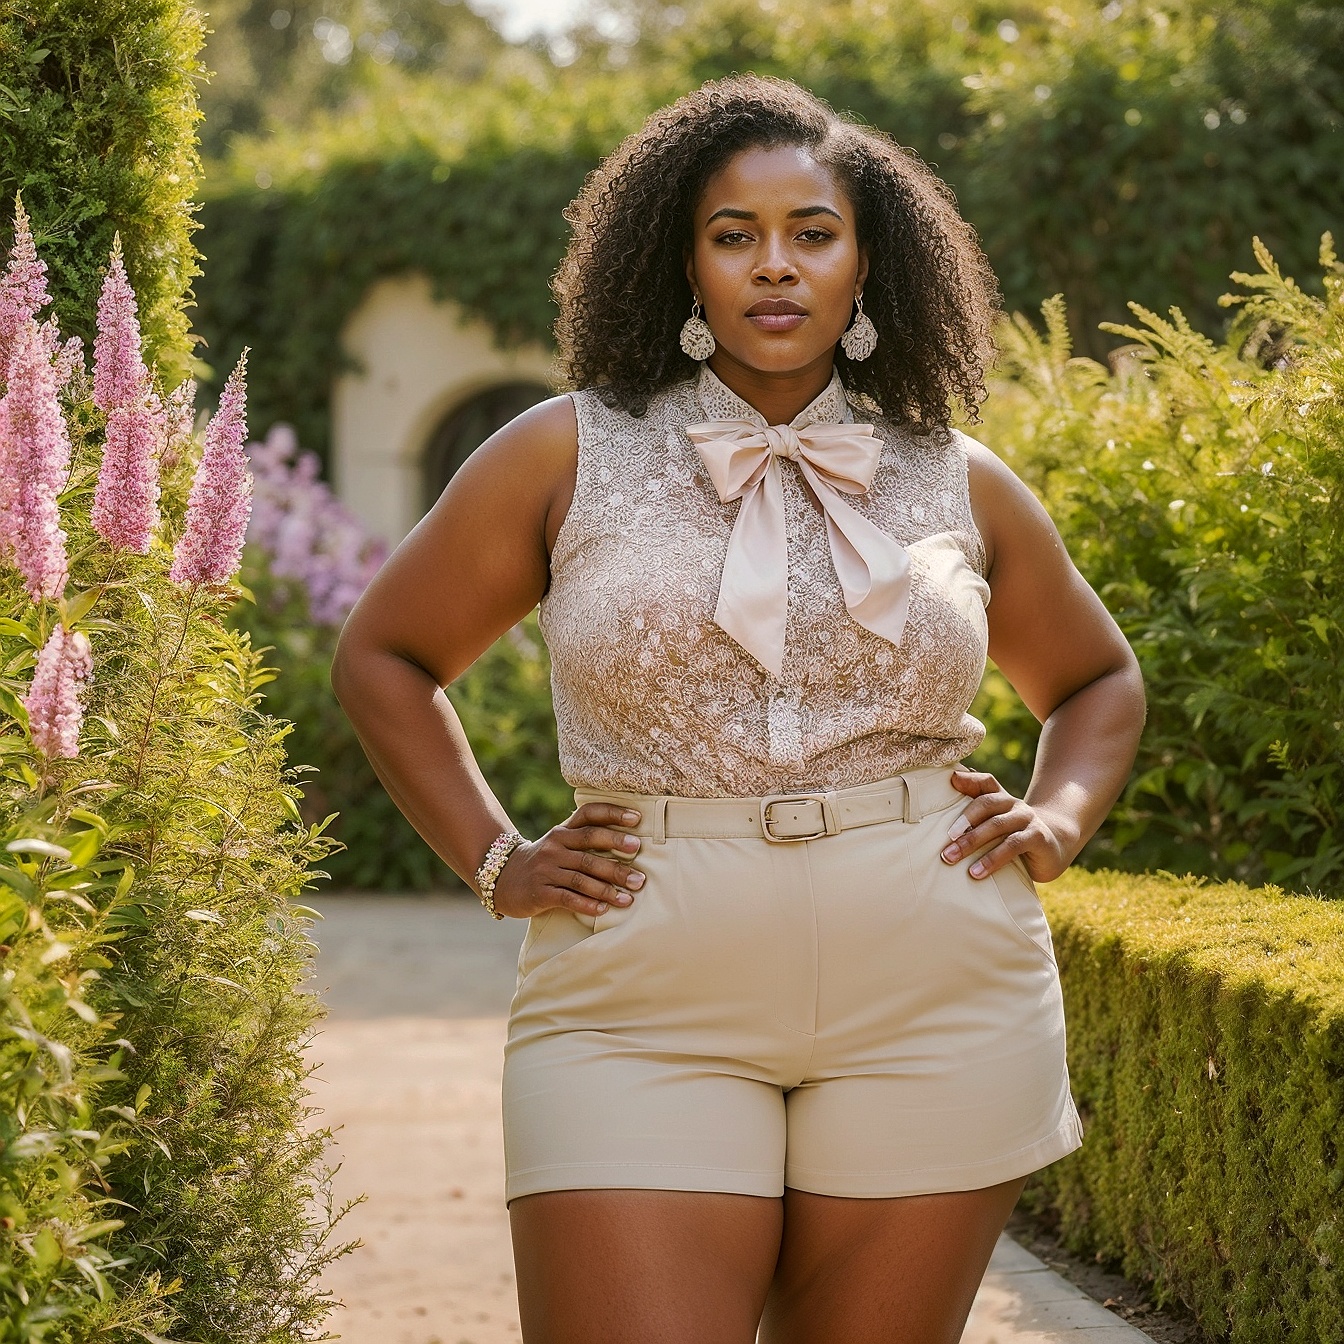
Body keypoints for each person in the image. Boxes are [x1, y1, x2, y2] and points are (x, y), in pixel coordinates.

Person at [331, 74, 1146, 1344]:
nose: (776, 268)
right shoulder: (566, 450)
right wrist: (498, 859)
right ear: (685, 263)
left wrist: (1059, 816)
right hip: (640, 989)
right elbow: (384, 655)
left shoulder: (954, 473)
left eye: (812, 233)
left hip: (936, 981)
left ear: (867, 263)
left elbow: (1099, 679)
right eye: (734, 235)